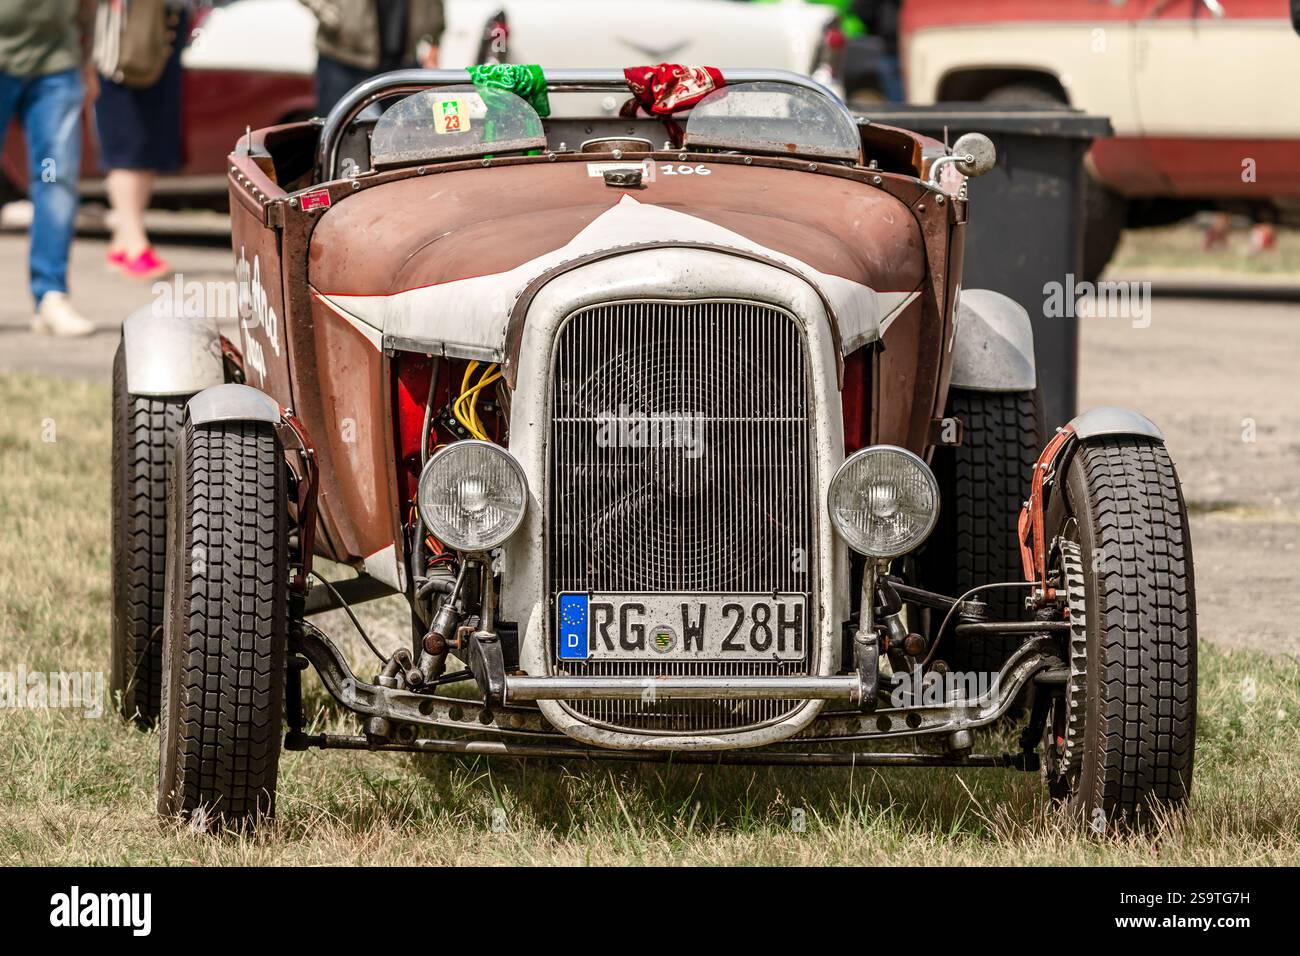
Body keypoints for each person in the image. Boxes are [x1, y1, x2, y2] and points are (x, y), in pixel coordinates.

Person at [0, 0, 97, 336]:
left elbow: (89, 6)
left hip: (56, 68)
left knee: (54, 177)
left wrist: (87, 62)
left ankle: (51, 297)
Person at [95, 3, 188, 280]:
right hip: (123, 35)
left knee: (148, 144)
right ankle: (135, 243)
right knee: (128, 143)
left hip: (161, 29)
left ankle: (123, 242)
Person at [300, 0, 446, 116]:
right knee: (331, 130)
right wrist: (329, 14)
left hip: (401, 61)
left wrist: (435, 38)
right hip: (343, 58)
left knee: (412, 133)